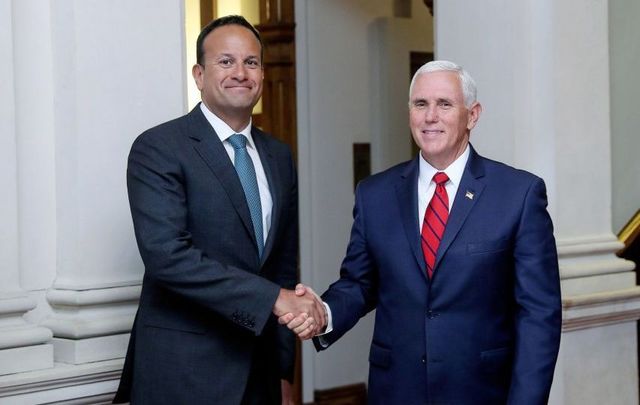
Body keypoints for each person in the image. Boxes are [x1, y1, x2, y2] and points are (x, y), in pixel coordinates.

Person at [282, 60, 562, 404]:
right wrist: (324, 313)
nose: (430, 116)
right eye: (420, 104)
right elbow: (359, 282)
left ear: (472, 115)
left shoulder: (518, 195)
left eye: (444, 104)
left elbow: (539, 315)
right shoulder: (375, 194)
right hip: (397, 390)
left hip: (483, 392)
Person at [114, 15, 325, 405]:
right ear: (199, 74)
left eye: (251, 62)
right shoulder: (159, 148)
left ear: (262, 74)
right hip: (185, 373)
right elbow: (168, 256)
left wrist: (283, 370)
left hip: (260, 375)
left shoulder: (278, 155)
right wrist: (273, 299)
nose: (240, 73)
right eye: (225, 62)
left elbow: (281, 266)